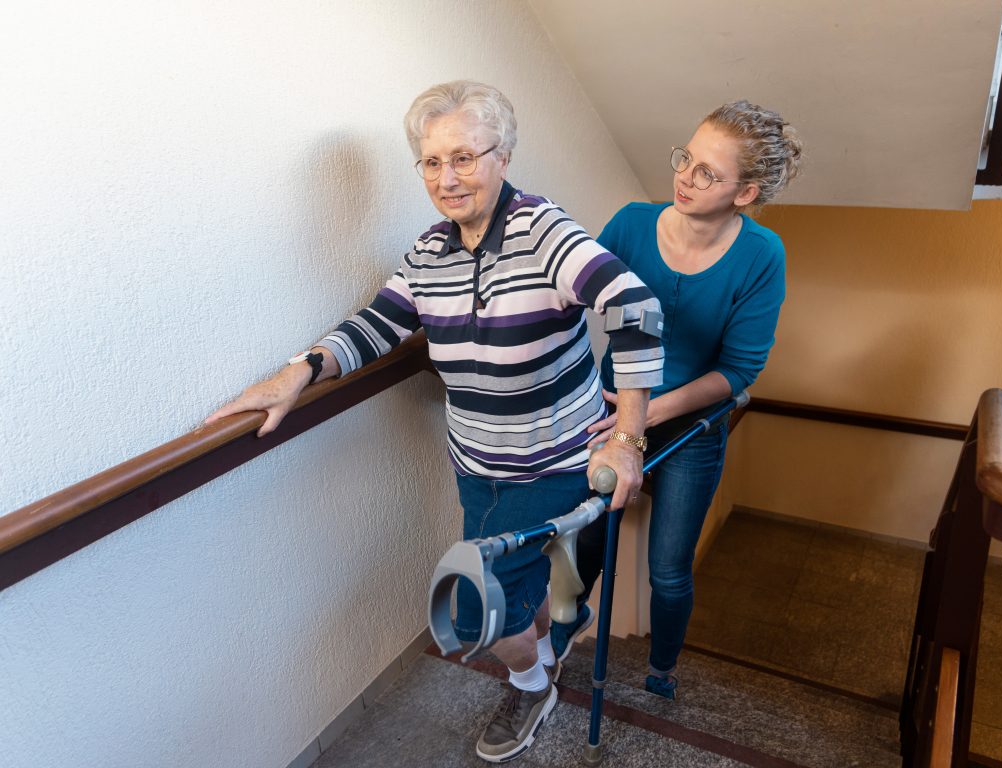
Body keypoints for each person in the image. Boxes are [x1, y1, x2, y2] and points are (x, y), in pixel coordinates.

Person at [204, 80, 664, 762]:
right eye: (430, 162)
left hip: (554, 464)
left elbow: (636, 311)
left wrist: (627, 436)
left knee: (477, 613)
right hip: (477, 467)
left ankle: (532, 682)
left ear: (503, 156)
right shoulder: (431, 251)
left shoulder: (545, 232)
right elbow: (378, 324)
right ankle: (555, 632)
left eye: (464, 158)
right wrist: (299, 371)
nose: (446, 179)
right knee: (521, 583)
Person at [550, 100, 803, 700]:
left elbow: (741, 368)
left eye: (708, 173)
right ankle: (557, 638)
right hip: (611, 419)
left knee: (667, 570)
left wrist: (650, 412)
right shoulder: (632, 224)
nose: (686, 178)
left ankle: (661, 667)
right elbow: (565, 300)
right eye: (685, 158)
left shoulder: (763, 255)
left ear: (746, 193)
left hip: (692, 432)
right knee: (581, 539)